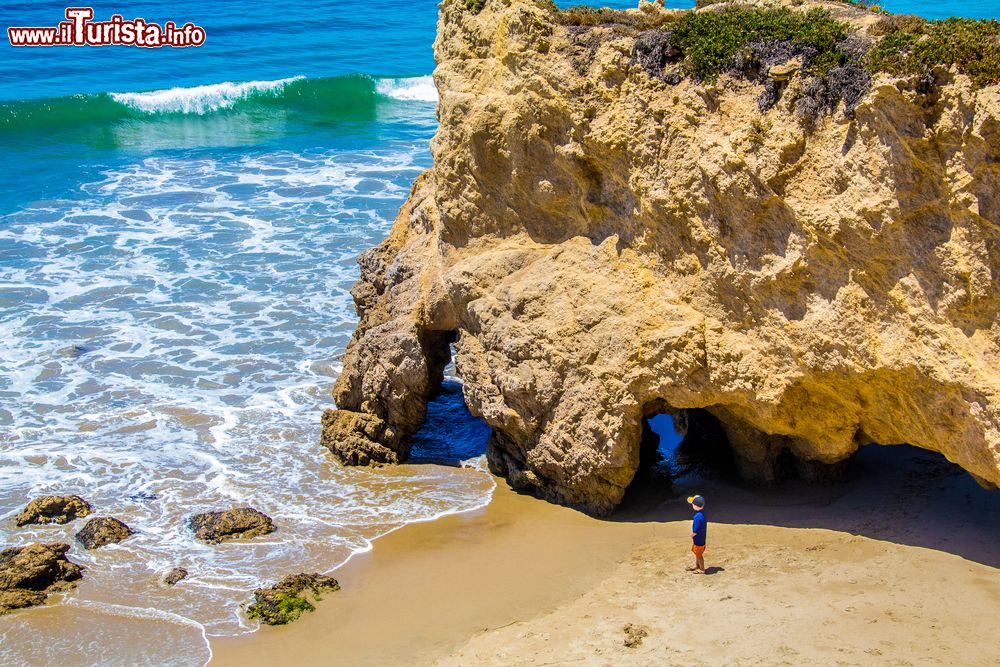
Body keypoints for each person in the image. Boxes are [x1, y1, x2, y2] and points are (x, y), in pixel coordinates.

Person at [687, 495, 707, 574]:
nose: (692, 505)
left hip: (699, 540)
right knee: (697, 553)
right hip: (701, 539)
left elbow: (696, 529)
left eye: (692, 504)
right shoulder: (702, 514)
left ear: (695, 506)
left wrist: (692, 534)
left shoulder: (697, 516)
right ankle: (697, 566)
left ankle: (702, 569)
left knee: (699, 555)